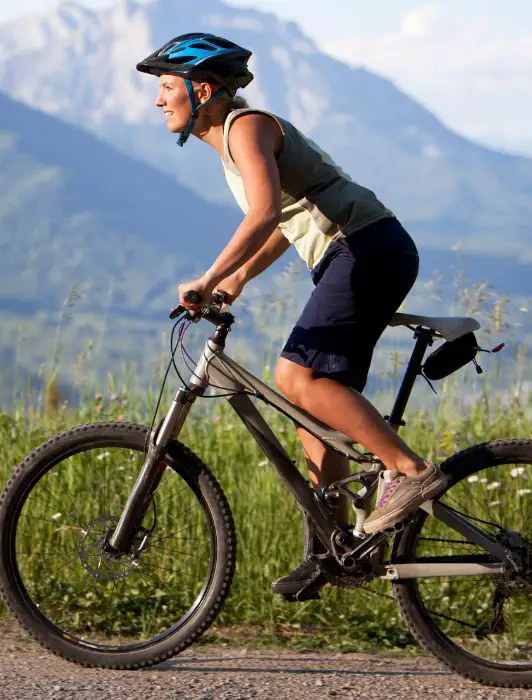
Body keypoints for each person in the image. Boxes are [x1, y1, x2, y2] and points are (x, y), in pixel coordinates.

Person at [136, 33, 449, 601]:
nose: (158, 101)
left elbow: (261, 214)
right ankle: (333, 550)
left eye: (164, 88)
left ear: (200, 89)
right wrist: (237, 279)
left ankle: (409, 472)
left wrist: (207, 277)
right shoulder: (233, 140)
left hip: (364, 247)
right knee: (312, 412)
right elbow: (284, 220)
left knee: (295, 377)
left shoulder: (245, 128)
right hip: (360, 251)